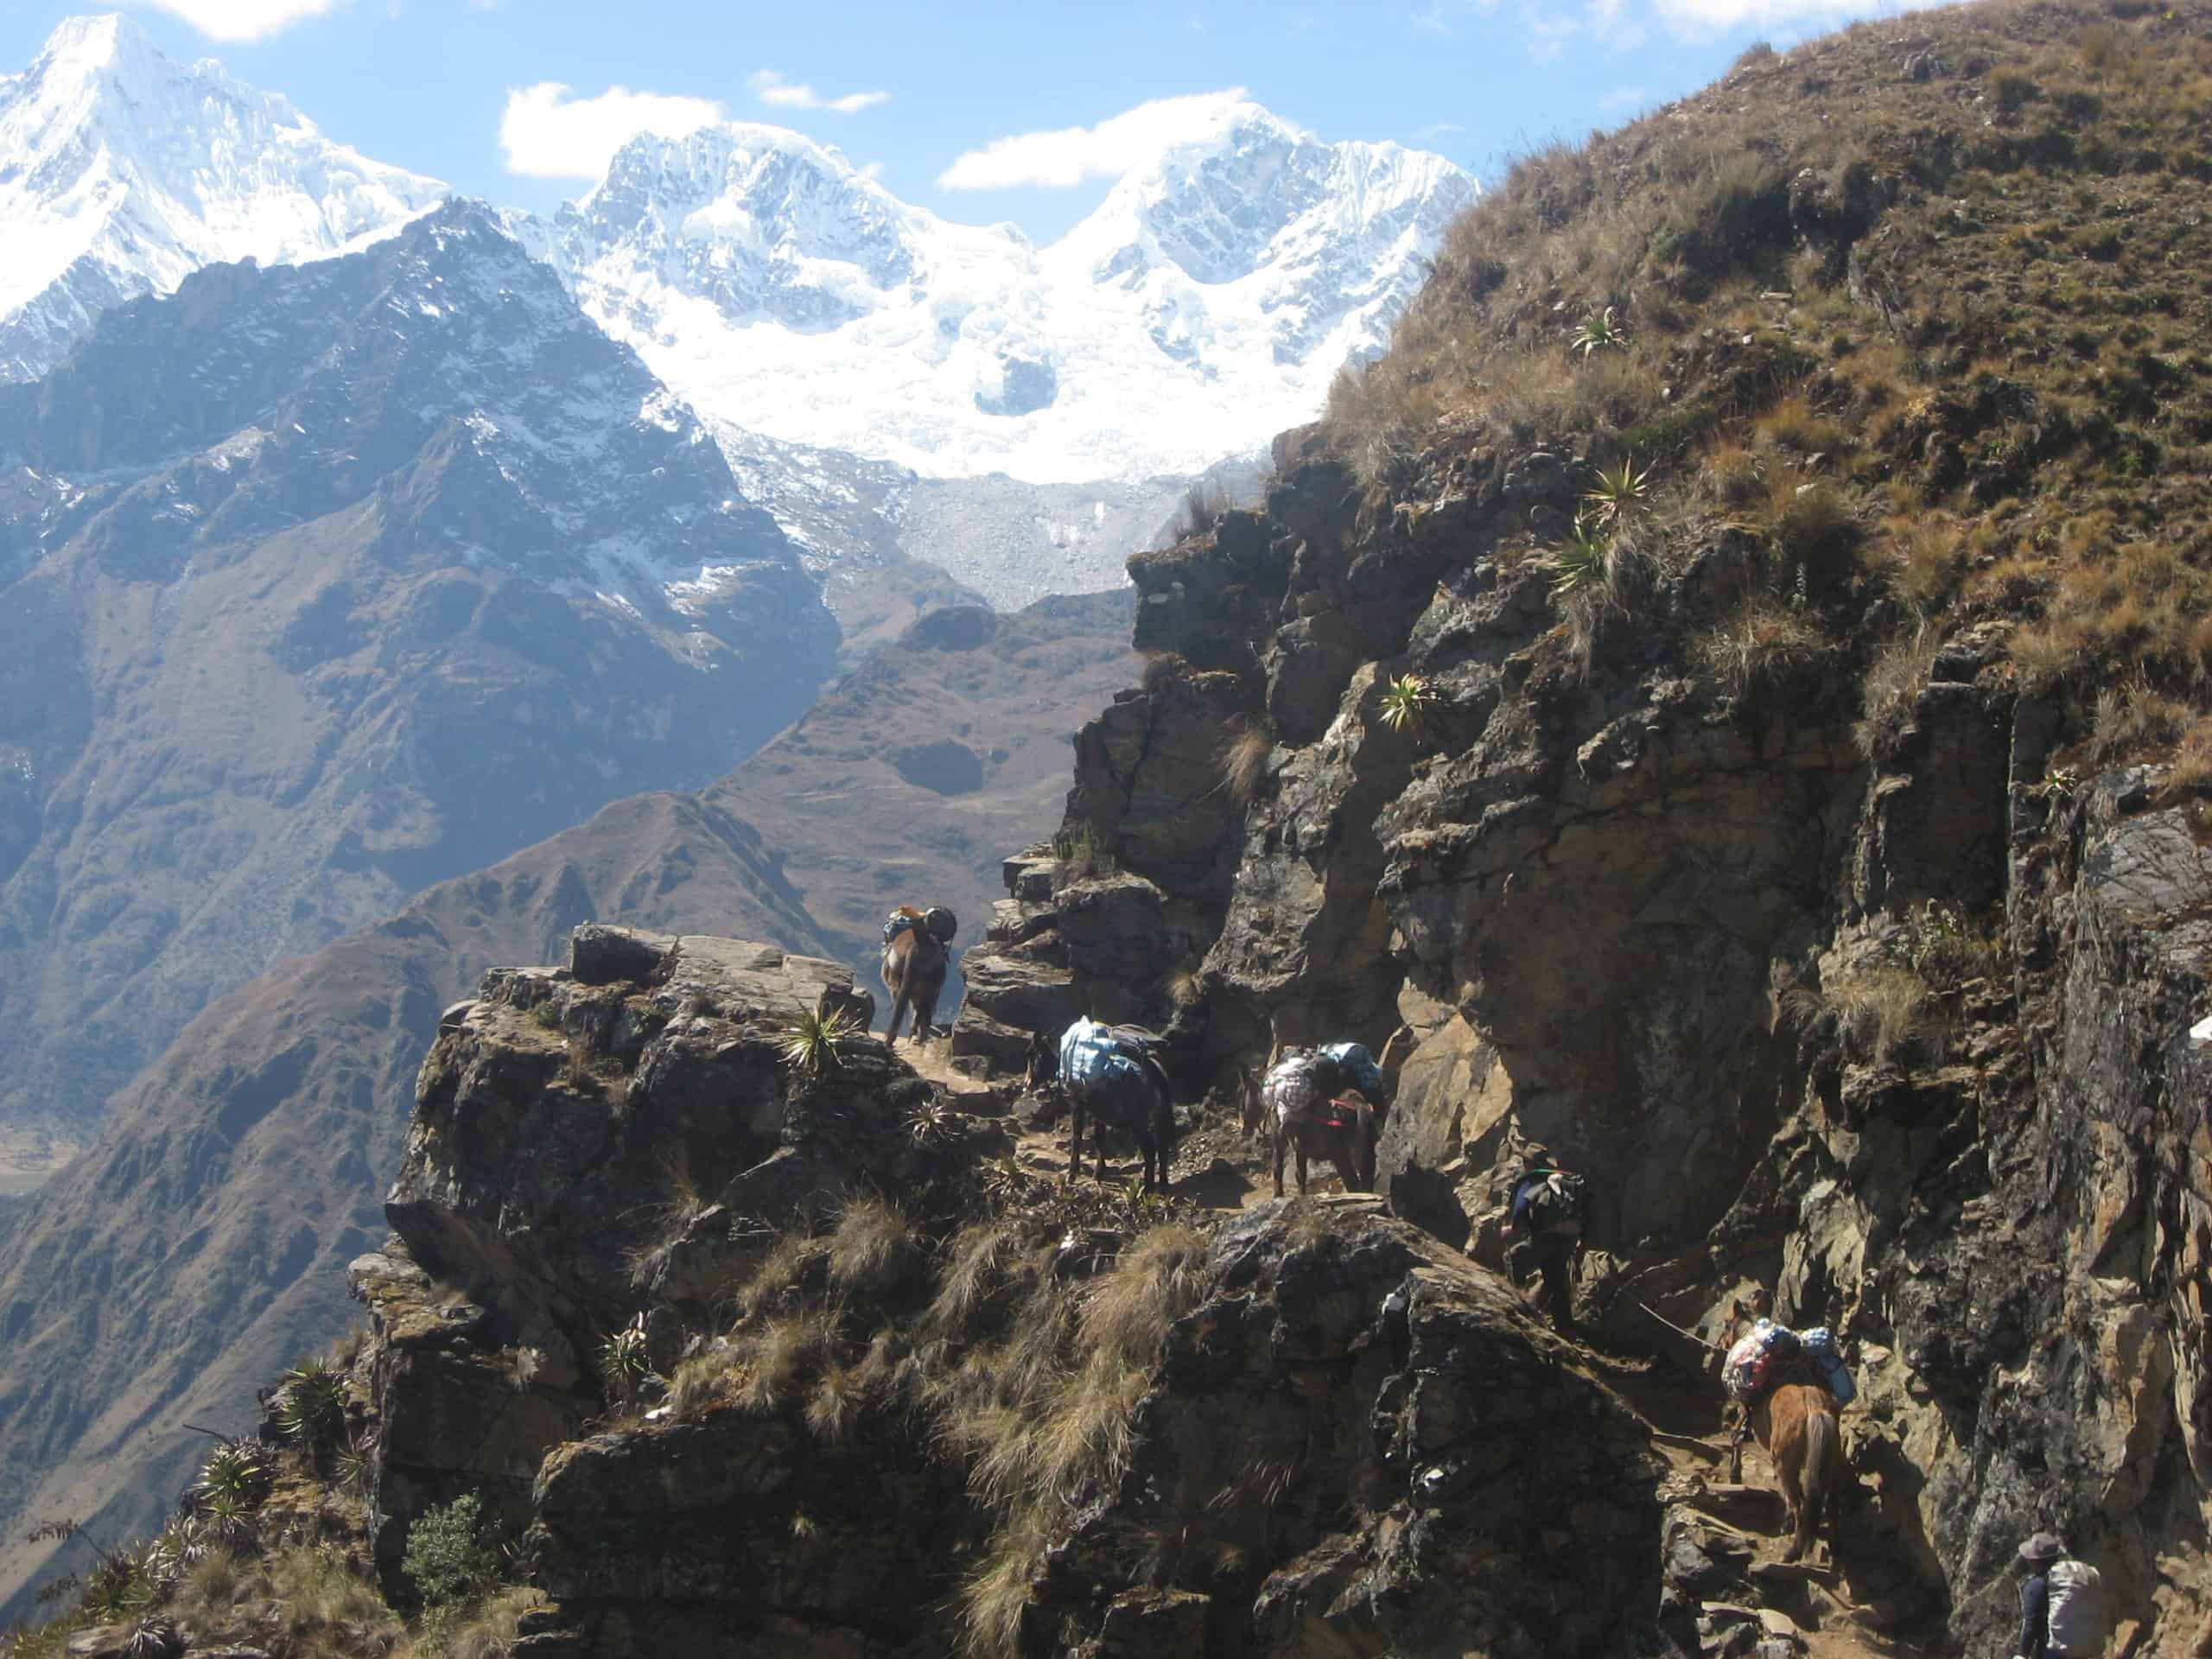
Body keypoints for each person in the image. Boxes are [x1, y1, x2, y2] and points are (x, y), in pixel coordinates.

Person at [1506, 1151, 1586, 1328]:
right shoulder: (1562, 1181)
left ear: (1528, 1163)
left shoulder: (1530, 1181)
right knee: (1556, 1280)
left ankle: (1520, 1305)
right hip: (1567, 1240)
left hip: (1543, 1238)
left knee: (1513, 1257)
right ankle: (1564, 1326)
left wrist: (1510, 1229)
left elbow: (1520, 1212)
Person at [2013, 1532, 2106, 1659]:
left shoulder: (2035, 1586)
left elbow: (2030, 1626)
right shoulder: (2072, 1578)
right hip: (2086, 1652)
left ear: (2033, 1560)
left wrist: (2021, 1655)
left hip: (2054, 1653)